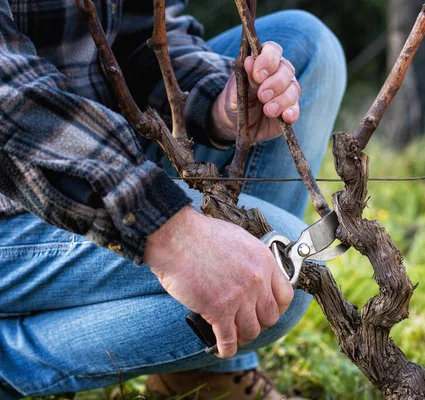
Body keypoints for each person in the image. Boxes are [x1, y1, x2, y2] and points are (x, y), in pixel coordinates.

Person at [0, 0, 346, 398]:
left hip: (99, 144)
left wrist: (220, 105)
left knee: (306, 43)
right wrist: (168, 230)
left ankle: (206, 376)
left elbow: (145, 34)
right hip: (14, 195)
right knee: (279, 274)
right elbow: (10, 101)